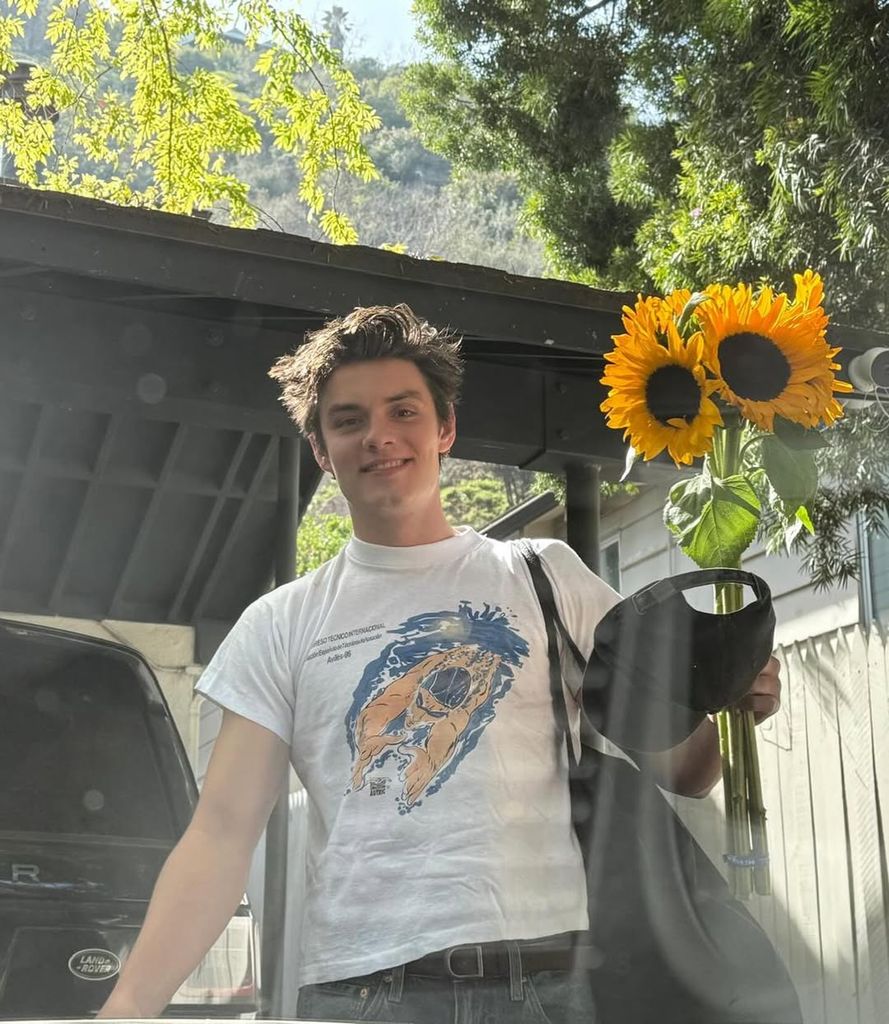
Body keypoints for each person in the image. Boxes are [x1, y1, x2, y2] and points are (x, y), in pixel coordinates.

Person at [97, 304, 781, 1023]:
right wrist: (128, 1007)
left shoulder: (545, 578)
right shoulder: (279, 623)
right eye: (348, 419)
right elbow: (221, 833)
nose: (379, 436)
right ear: (321, 449)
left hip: (543, 987)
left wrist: (724, 692)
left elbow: (685, 769)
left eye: (403, 410)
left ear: (444, 427)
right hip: (360, 994)